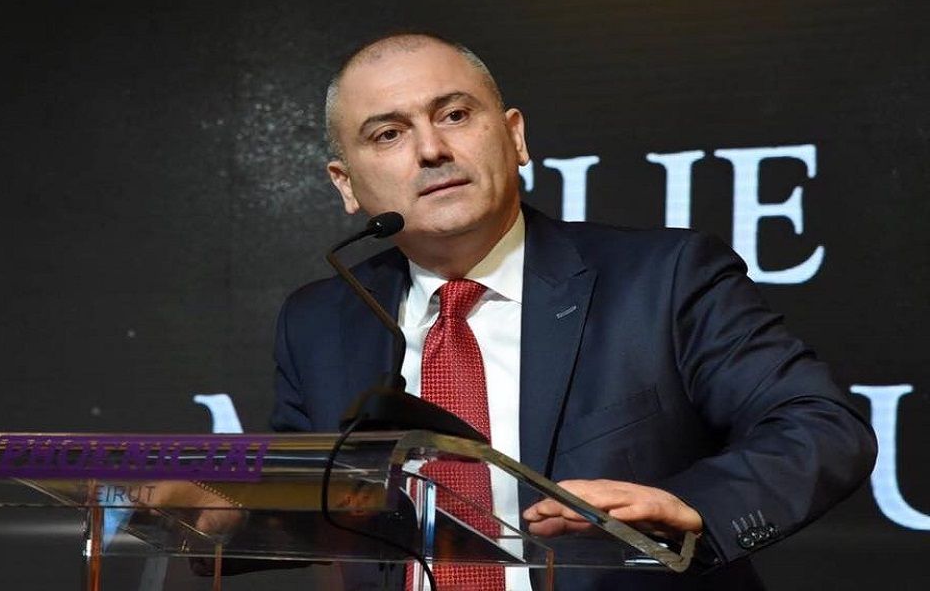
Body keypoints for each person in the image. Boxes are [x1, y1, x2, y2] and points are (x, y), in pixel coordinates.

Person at [270, 33, 877, 590]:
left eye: (454, 115)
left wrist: (693, 506)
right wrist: (230, 508)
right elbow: (301, 507)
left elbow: (821, 426)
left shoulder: (663, 279)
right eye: (388, 134)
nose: (431, 150)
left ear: (515, 136)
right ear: (345, 183)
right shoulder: (319, 322)